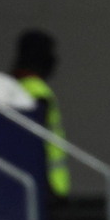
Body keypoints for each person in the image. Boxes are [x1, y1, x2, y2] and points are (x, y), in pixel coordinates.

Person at [11, 29, 71, 200]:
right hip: (47, 186)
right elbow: (35, 144)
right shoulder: (35, 92)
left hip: (47, 185)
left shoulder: (20, 87)